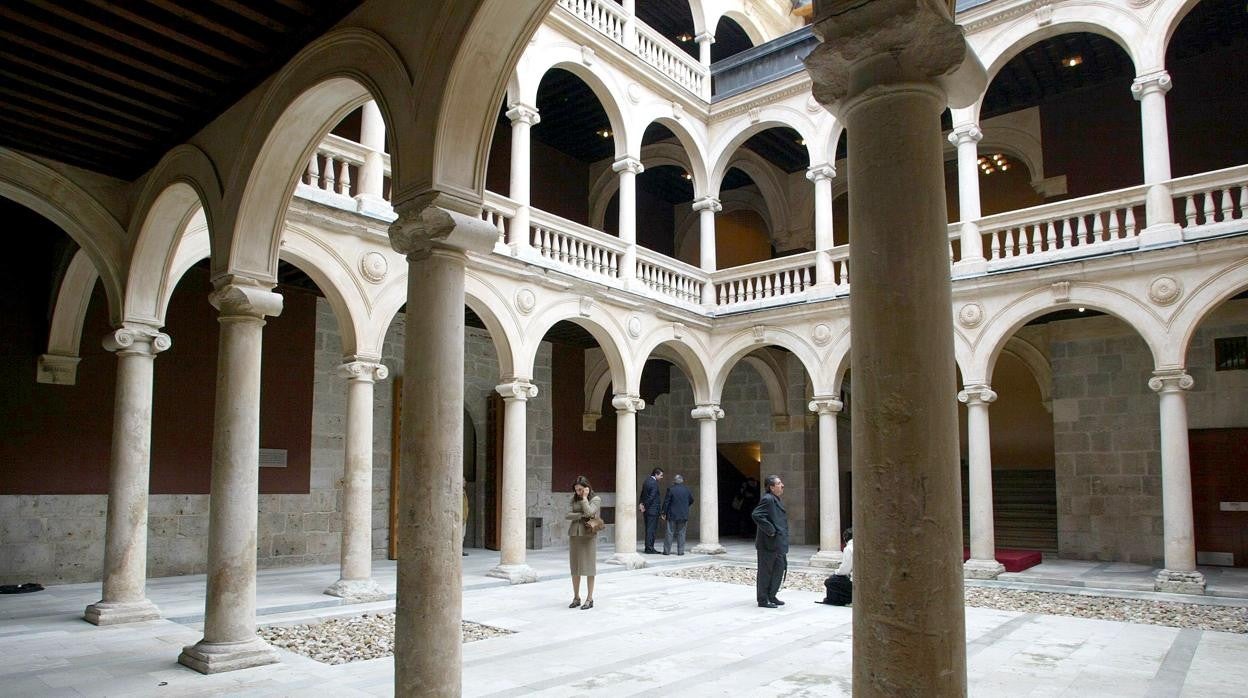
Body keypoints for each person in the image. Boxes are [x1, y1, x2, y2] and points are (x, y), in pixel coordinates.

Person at [751, 474, 789, 608]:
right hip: (768, 544)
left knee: (779, 569)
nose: (782, 485)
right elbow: (756, 514)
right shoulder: (767, 499)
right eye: (779, 483)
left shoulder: (775, 499)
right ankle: (763, 599)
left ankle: (772, 595)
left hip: (778, 544)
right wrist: (771, 530)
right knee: (765, 572)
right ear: (771, 487)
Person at [566, 475, 601, 610]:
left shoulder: (595, 499)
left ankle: (589, 598)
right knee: (575, 567)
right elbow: (568, 515)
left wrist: (585, 498)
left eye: (580, 489)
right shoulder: (573, 498)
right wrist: (581, 515)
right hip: (574, 534)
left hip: (588, 535)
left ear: (586, 488)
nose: (577, 492)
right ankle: (576, 597)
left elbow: (590, 512)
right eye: (576, 490)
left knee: (589, 567)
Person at [661, 474, 694, 555]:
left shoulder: (671, 489)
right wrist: (685, 507)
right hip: (683, 514)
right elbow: (691, 500)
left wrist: (663, 512)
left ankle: (666, 551)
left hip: (672, 514)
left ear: (674, 481)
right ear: (682, 481)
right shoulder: (687, 489)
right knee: (681, 533)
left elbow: (666, 502)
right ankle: (681, 551)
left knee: (670, 532)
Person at [821, 527, 853, 606]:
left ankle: (841, 599)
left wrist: (836, 572)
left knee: (830, 582)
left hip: (853, 580)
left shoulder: (849, 548)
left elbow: (845, 570)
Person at [639, 467, 664, 553]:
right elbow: (652, 497)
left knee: (648, 529)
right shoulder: (654, 483)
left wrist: (641, 503)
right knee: (651, 530)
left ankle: (648, 547)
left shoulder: (647, 481)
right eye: (661, 475)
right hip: (652, 510)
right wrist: (645, 505)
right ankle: (649, 548)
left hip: (647, 510)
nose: (662, 477)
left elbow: (642, 493)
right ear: (656, 474)